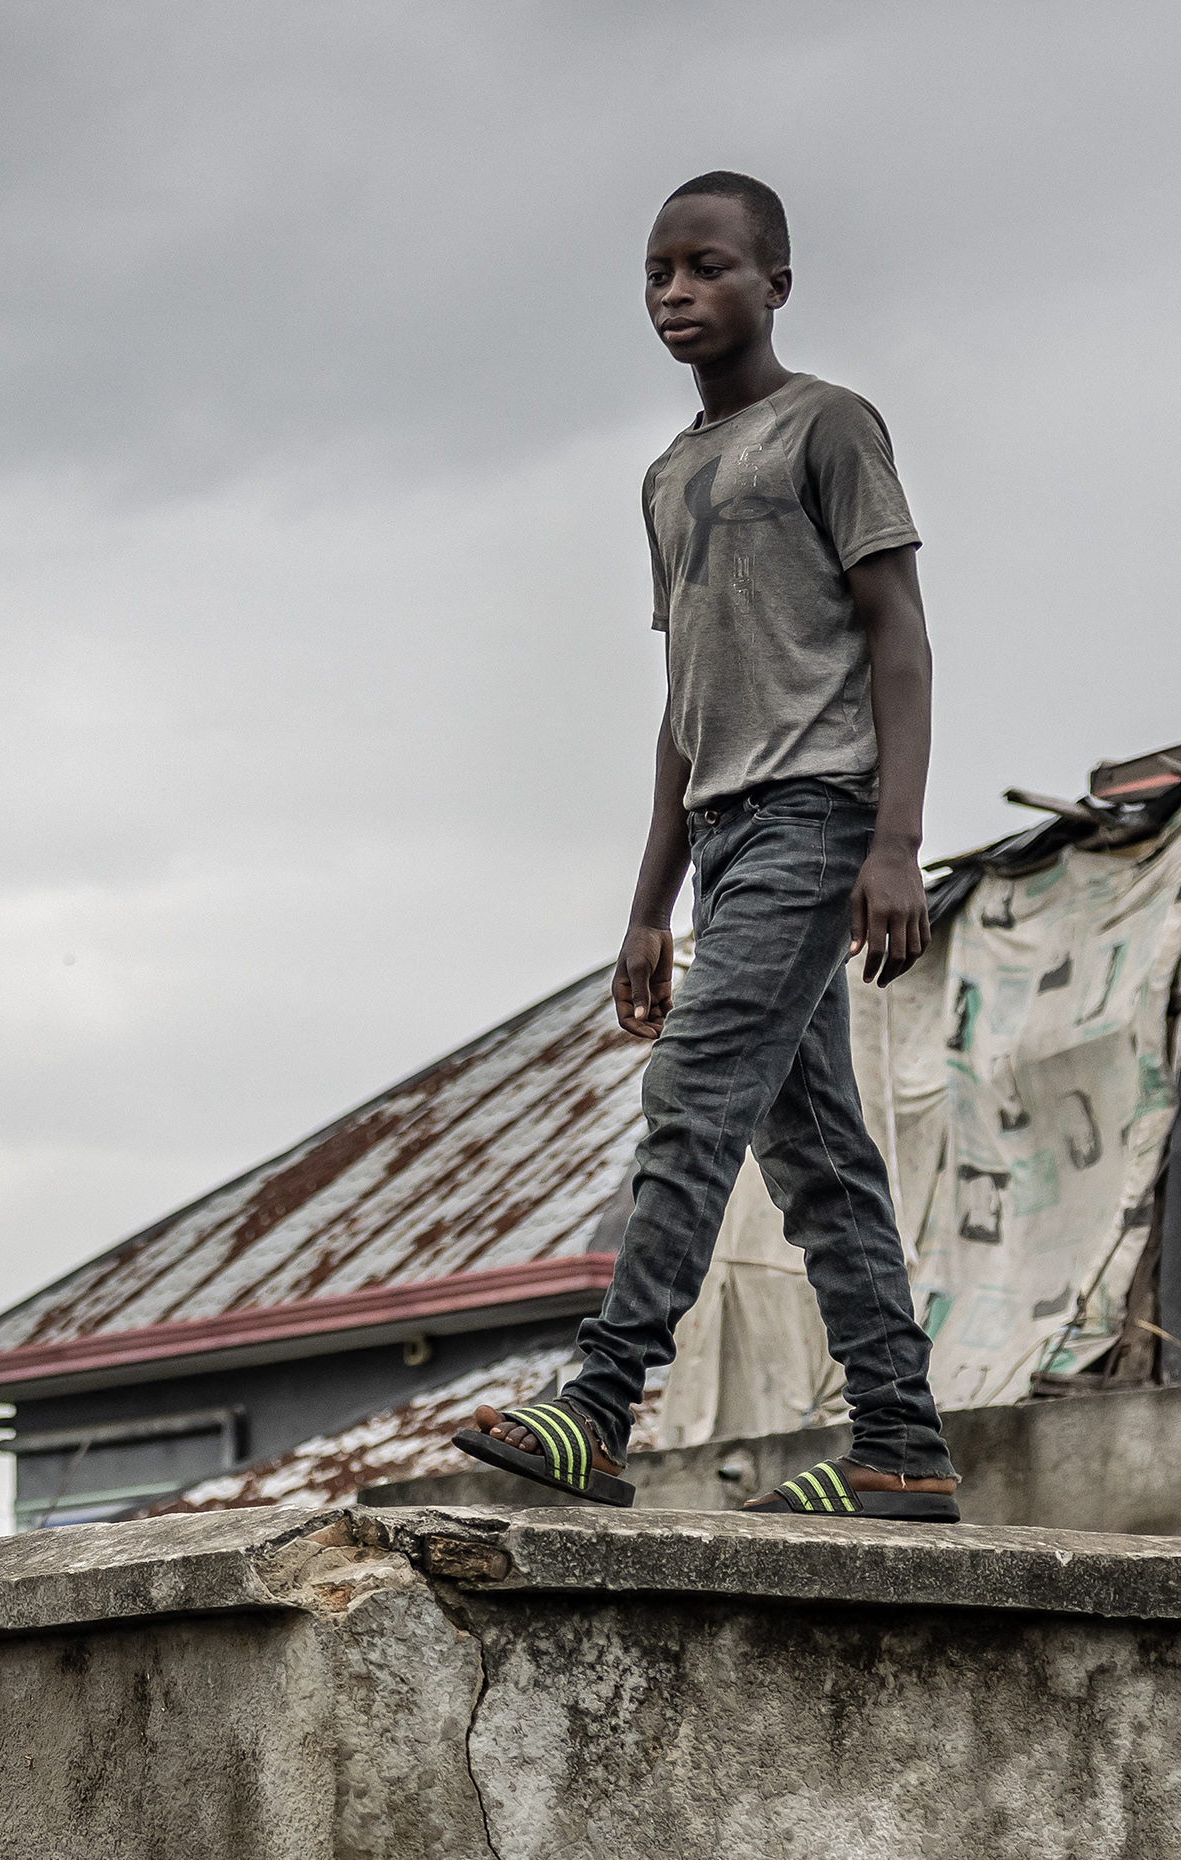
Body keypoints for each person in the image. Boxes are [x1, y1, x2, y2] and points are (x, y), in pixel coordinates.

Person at [455, 170, 961, 1521]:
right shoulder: (668, 477)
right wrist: (647, 911)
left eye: (709, 267)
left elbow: (901, 636)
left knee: (692, 1093)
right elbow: (687, 705)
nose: (678, 293)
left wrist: (897, 844)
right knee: (818, 1158)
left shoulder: (828, 426)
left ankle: (598, 1404)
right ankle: (903, 1448)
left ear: (775, 285)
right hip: (728, 838)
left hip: (819, 814)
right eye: (659, 273)